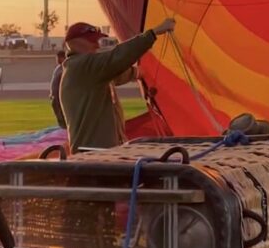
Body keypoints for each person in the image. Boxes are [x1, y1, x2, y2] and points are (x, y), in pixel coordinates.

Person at [60, 19, 175, 151]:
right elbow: (117, 57)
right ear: (77, 43)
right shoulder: (82, 65)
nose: (97, 46)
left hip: (102, 153)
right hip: (92, 156)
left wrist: (136, 73)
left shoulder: (89, 71)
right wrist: (153, 33)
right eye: (92, 41)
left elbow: (115, 74)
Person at [49, 50, 67, 128]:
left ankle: (65, 133)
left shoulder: (65, 69)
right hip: (55, 98)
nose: (57, 60)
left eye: (59, 58)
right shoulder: (58, 68)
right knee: (59, 117)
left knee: (63, 117)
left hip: (61, 98)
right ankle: (62, 131)